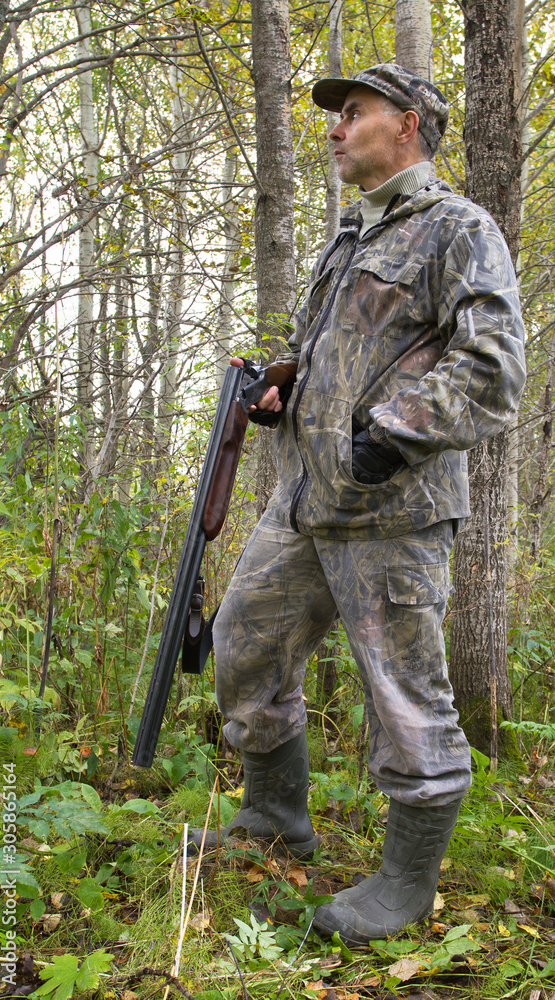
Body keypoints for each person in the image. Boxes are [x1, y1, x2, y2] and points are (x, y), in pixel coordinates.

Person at [193, 64, 526, 946]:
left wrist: (385, 436)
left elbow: (491, 370)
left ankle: (406, 884)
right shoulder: (349, 235)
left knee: (406, 699)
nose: (336, 130)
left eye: (353, 114)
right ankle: (274, 818)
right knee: (242, 645)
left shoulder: (458, 229)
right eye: (335, 118)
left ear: (406, 125)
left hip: (392, 508)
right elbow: (331, 356)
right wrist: (281, 389)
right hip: (303, 499)